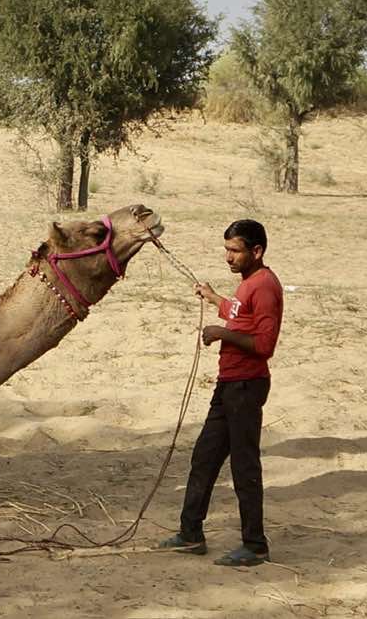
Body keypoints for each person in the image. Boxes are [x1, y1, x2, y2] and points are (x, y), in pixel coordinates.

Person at [158, 219, 284, 567]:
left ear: (256, 251)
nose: (228, 257)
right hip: (228, 385)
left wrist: (221, 333)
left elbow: (264, 344)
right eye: (226, 249)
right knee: (204, 457)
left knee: (244, 467)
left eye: (235, 250)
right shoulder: (247, 285)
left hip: (246, 387)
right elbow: (241, 314)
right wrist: (214, 298)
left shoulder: (265, 286)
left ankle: (255, 545)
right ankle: (190, 534)